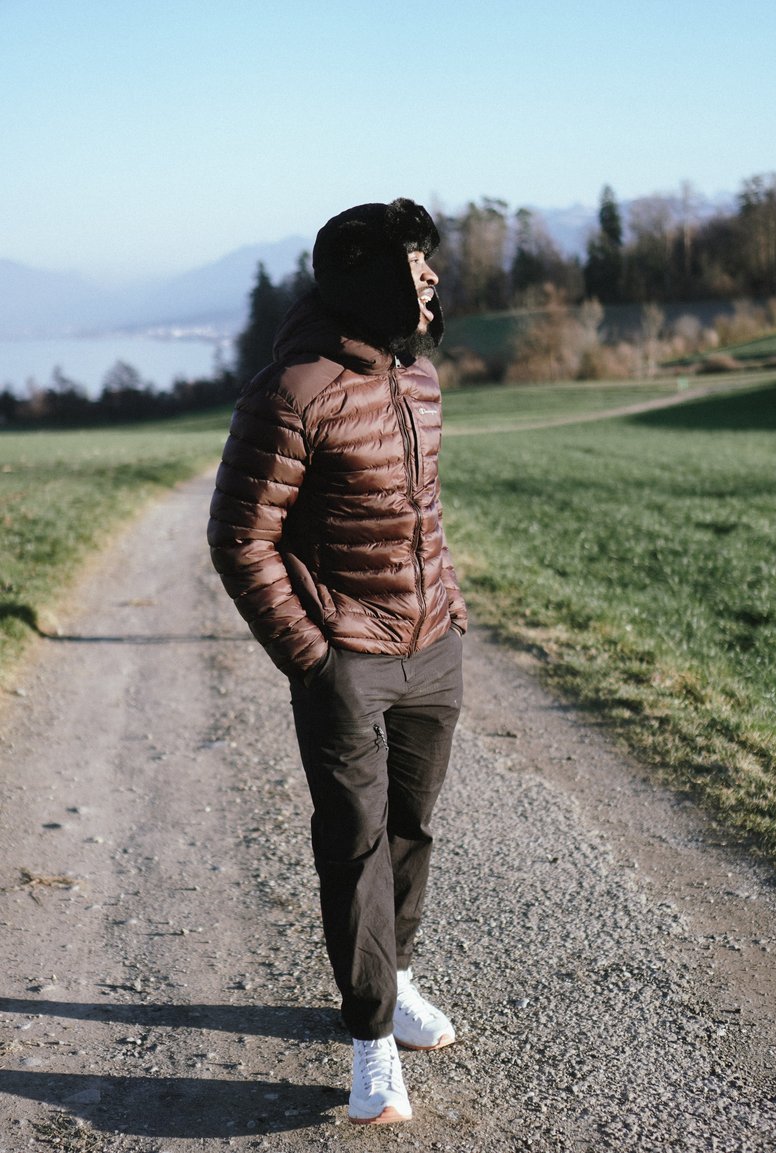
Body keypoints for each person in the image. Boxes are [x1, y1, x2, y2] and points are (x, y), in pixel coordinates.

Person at [208, 198, 468, 1125]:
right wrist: (312, 656)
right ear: (367, 277)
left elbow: (423, 517)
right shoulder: (293, 390)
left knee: (410, 831)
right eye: (413, 261)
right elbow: (242, 538)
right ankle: (367, 1043)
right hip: (345, 663)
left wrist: (452, 609)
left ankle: (392, 984)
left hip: (433, 650)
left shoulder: (420, 378)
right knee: (354, 846)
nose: (431, 276)